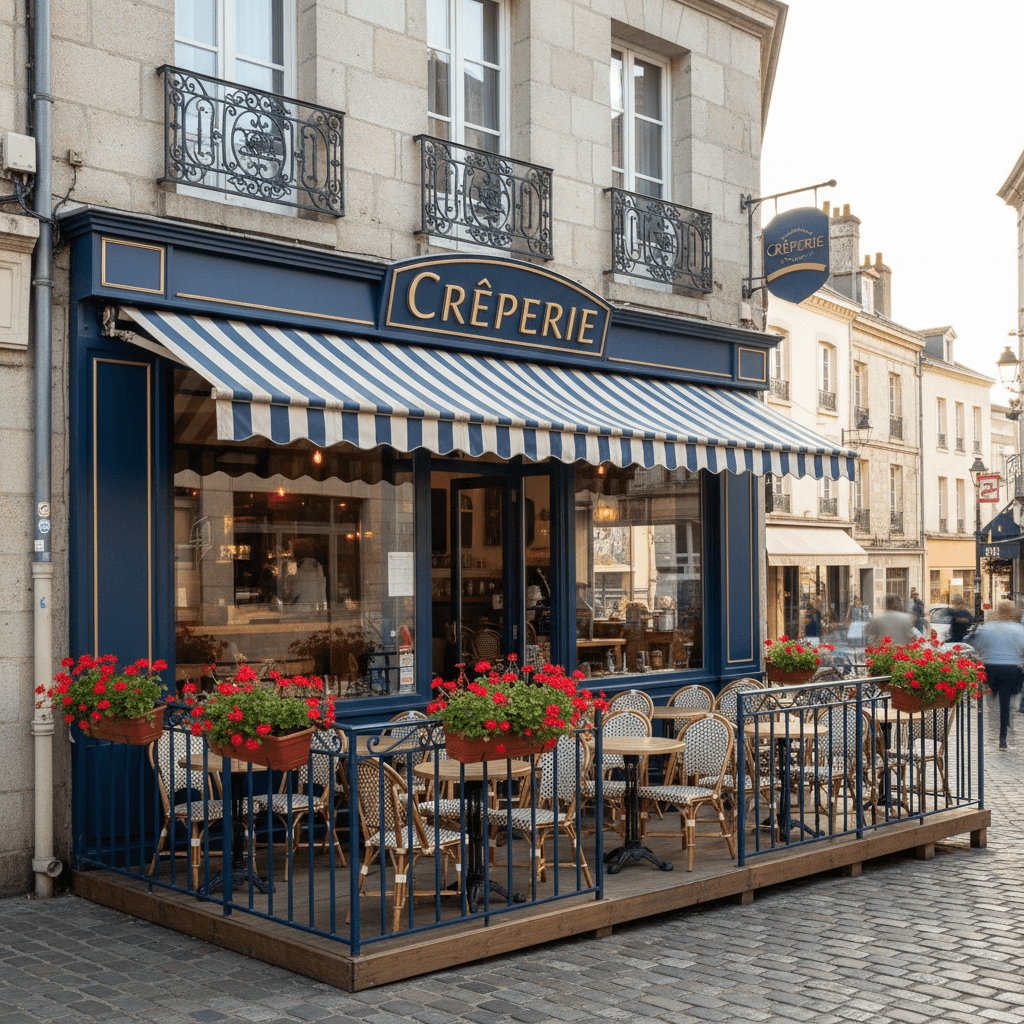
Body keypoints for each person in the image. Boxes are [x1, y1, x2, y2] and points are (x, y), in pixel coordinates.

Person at [970, 600, 1024, 751]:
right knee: (1007, 702)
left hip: (991, 668)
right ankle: (1004, 733)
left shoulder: (987, 627)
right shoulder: (1018, 629)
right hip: (1012, 669)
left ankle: (995, 726)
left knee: (992, 701)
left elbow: (977, 646)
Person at [283, 539, 326, 614]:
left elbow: (291, 589)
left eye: (291, 549)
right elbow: (322, 589)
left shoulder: (294, 566)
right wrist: (323, 607)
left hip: (300, 607)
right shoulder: (318, 566)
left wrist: (287, 601)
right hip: (315, 607)